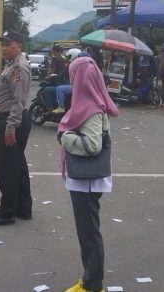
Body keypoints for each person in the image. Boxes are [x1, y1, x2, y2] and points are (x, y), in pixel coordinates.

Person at [57, 56, 119, 292]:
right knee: (87, 231)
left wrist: (66, 137)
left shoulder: (91, 108)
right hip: (85, 180)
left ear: (80, 78)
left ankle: (93, 284)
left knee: (89, 233)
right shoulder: (88, 103)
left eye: (74, 75)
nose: (72, 80)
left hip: (87, 181)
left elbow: (93, 145)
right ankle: (90, 279)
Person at [0, 31, 33, 226]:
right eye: (1, 43)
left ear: (19, 45)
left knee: (8, 170)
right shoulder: (12, 65)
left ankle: (6, 212)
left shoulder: (19, 68)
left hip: (11, 122)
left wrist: (10, 129)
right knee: (17, 166)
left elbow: (19, 102)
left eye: (7, 44)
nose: (3, 47)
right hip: (11, 120)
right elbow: (10, 94)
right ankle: (23, 208)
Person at [41, 45, 68, 109]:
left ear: (54, 51)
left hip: (56, 80)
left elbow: (52, 71)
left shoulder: (56, 58)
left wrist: (47, 77)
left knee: (46, 90)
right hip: (63, 80)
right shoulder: (65, 58)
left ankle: (50, 107)